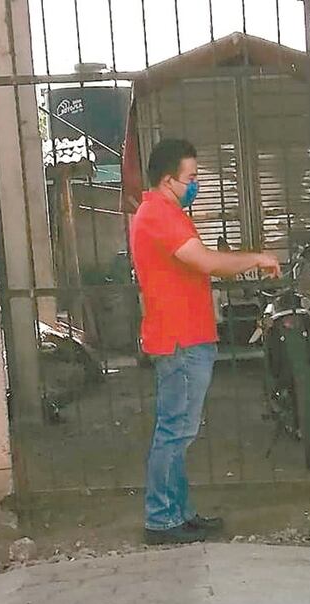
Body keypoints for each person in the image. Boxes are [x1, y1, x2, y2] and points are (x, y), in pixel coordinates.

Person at [130, 138, 280, 545]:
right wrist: (257, 258)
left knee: (178, 431)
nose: (195, 185)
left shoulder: (163, 212)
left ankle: (178, 513)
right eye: (191, 178)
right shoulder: (160, 215)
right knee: (174, 432)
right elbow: (207, 262)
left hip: (184, 335)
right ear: (168, 180)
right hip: (180, 339)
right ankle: (162, 519)